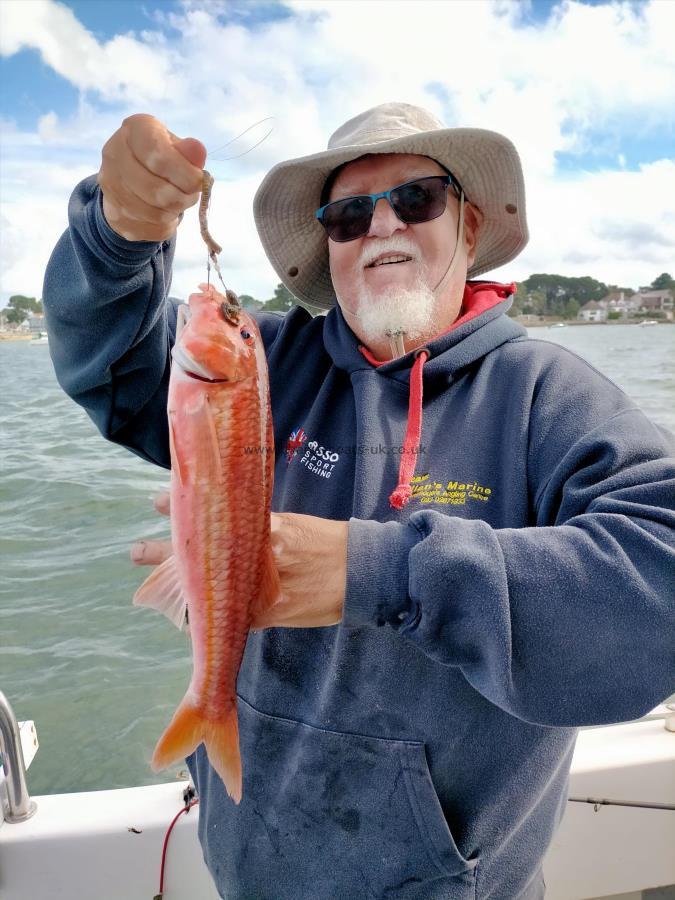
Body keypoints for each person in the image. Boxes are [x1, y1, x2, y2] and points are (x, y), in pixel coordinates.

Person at [43, 102, 675, 900]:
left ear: (469, 227)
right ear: (326, 248)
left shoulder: (545, 395)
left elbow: (662, 577)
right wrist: (117, 234)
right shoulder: (258, 363)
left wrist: (377, 572)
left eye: (416, 199)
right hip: (248, 870)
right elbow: (108, 355)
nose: (380, 226)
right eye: (346, 215)